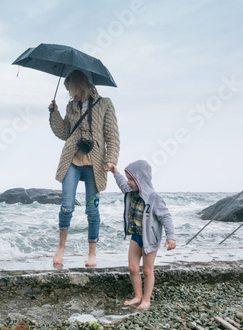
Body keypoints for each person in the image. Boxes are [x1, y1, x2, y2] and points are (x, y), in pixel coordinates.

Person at [48, 69, 120, 267]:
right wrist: (54, 114)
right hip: (72, 159)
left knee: (92, 209)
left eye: (72, 90)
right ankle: (61, 247)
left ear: (81, 86)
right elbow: (64, 133)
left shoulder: (105, 104)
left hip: (95, 163)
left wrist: (111, 159)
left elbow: (112, 134)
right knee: (66, 206)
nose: (71, 95)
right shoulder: (71, 106)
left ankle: (92, 254)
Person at [109, 160, 176, 310]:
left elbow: (166, 217)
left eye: (131, 179)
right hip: (136, 237)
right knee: (133, 268)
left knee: (147, 270)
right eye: (128, 179)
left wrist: (170, 236)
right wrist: (115, 171)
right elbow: (121, 183)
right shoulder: (130, 192)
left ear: (141, 179)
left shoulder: (154, 198)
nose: (128, 182)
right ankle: (138, 296)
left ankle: (146, 299)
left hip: (150, 240)